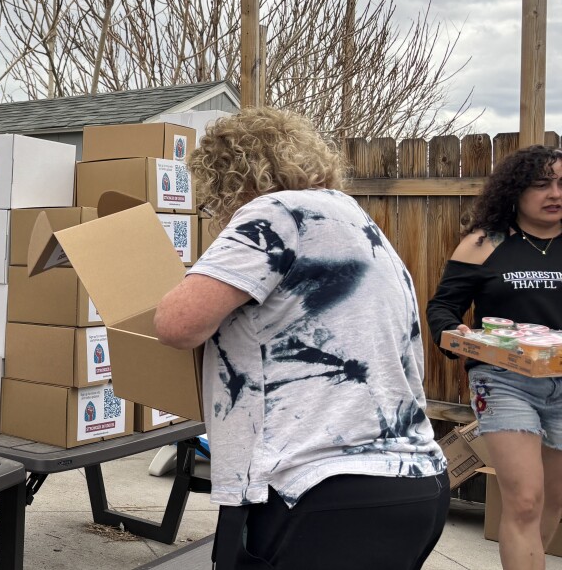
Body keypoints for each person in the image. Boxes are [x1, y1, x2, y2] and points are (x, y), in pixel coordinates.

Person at [152, 107, 448, 569]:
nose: (216, 211)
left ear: (229, 179)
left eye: (212, 198)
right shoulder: (358, 224)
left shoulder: (276, 213)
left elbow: (176, 323)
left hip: (320, 489)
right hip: (413, 482)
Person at [427, 145, 562, 570]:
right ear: (514, 191)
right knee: (524, 500)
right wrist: (453, 333)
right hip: (503, 380)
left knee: (553, 502)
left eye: (561, 184)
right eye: (541, 185)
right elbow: (443, 307)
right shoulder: (485, 243)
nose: (555, 193)